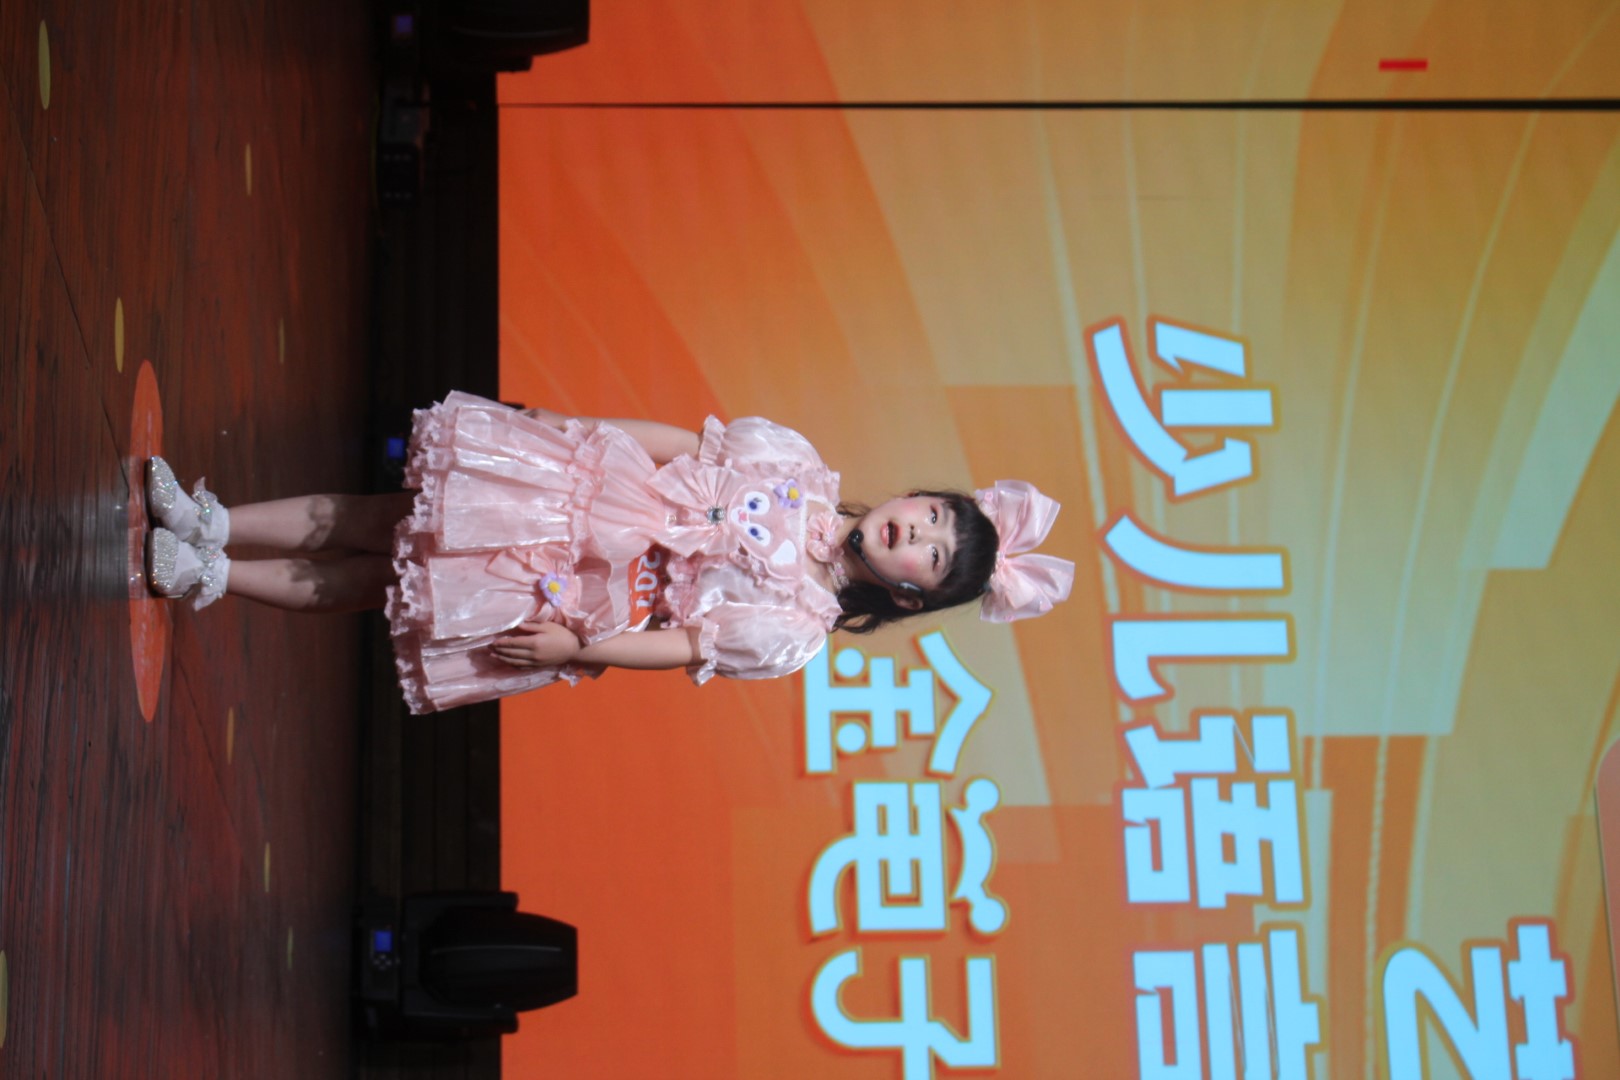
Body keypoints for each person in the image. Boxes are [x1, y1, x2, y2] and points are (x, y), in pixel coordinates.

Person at [144, 392, 1074, 713]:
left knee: (377, 588)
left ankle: (212, 575)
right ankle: (212, 521)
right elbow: (680, 445)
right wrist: (570, 428)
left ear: (910, 597)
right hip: (564, 501)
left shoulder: (797, 629)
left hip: (574, 601)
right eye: (933, 515)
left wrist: (577, 646)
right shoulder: (794, 461)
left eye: (932, 557)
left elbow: (681, 646)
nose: (917, 532)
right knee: (379, 515)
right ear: (914, 498)